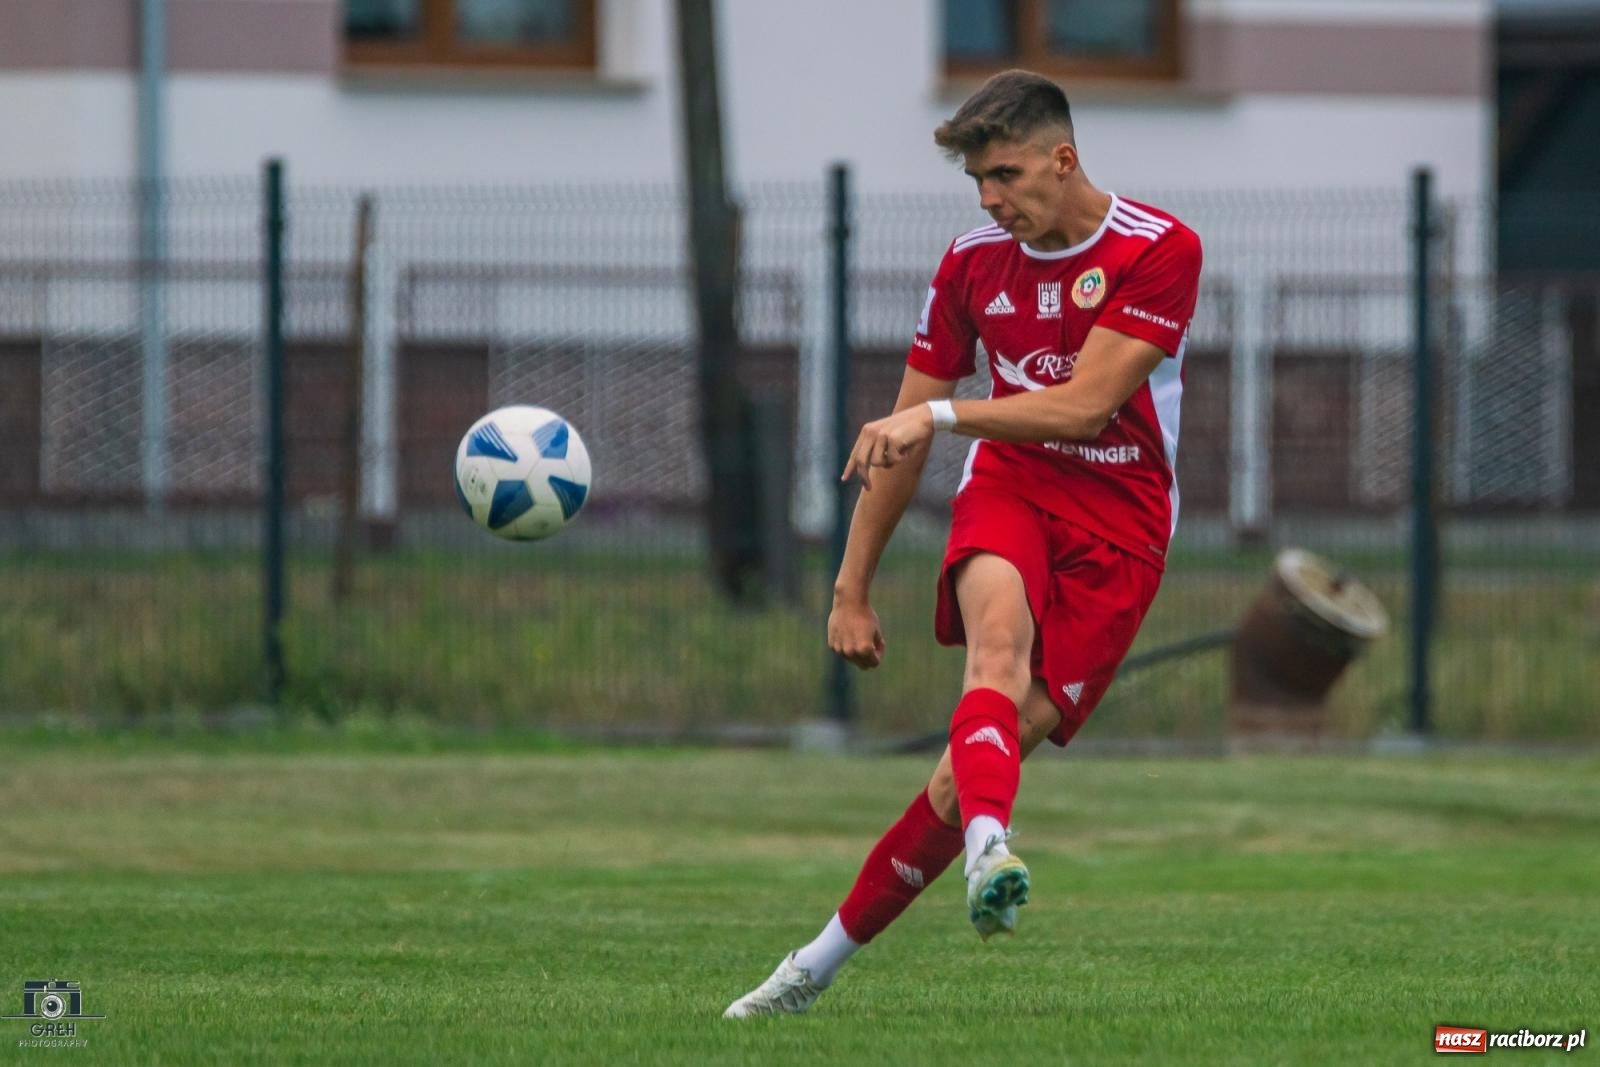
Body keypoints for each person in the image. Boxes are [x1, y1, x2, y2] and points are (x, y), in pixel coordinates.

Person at [724, 69, 1203, 1019]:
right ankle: (990, 849)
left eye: (1007, 174)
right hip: (1014, 485)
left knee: (965, 768)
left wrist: (944, 415)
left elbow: (1082, 407)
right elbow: (896, 442)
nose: (991, 198)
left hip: (1122, 520)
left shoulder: (1161, 247)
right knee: (993, 649)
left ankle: (816, 964)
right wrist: (848, 588)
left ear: (1063, 160)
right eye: (977, 180)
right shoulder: (973, 262)